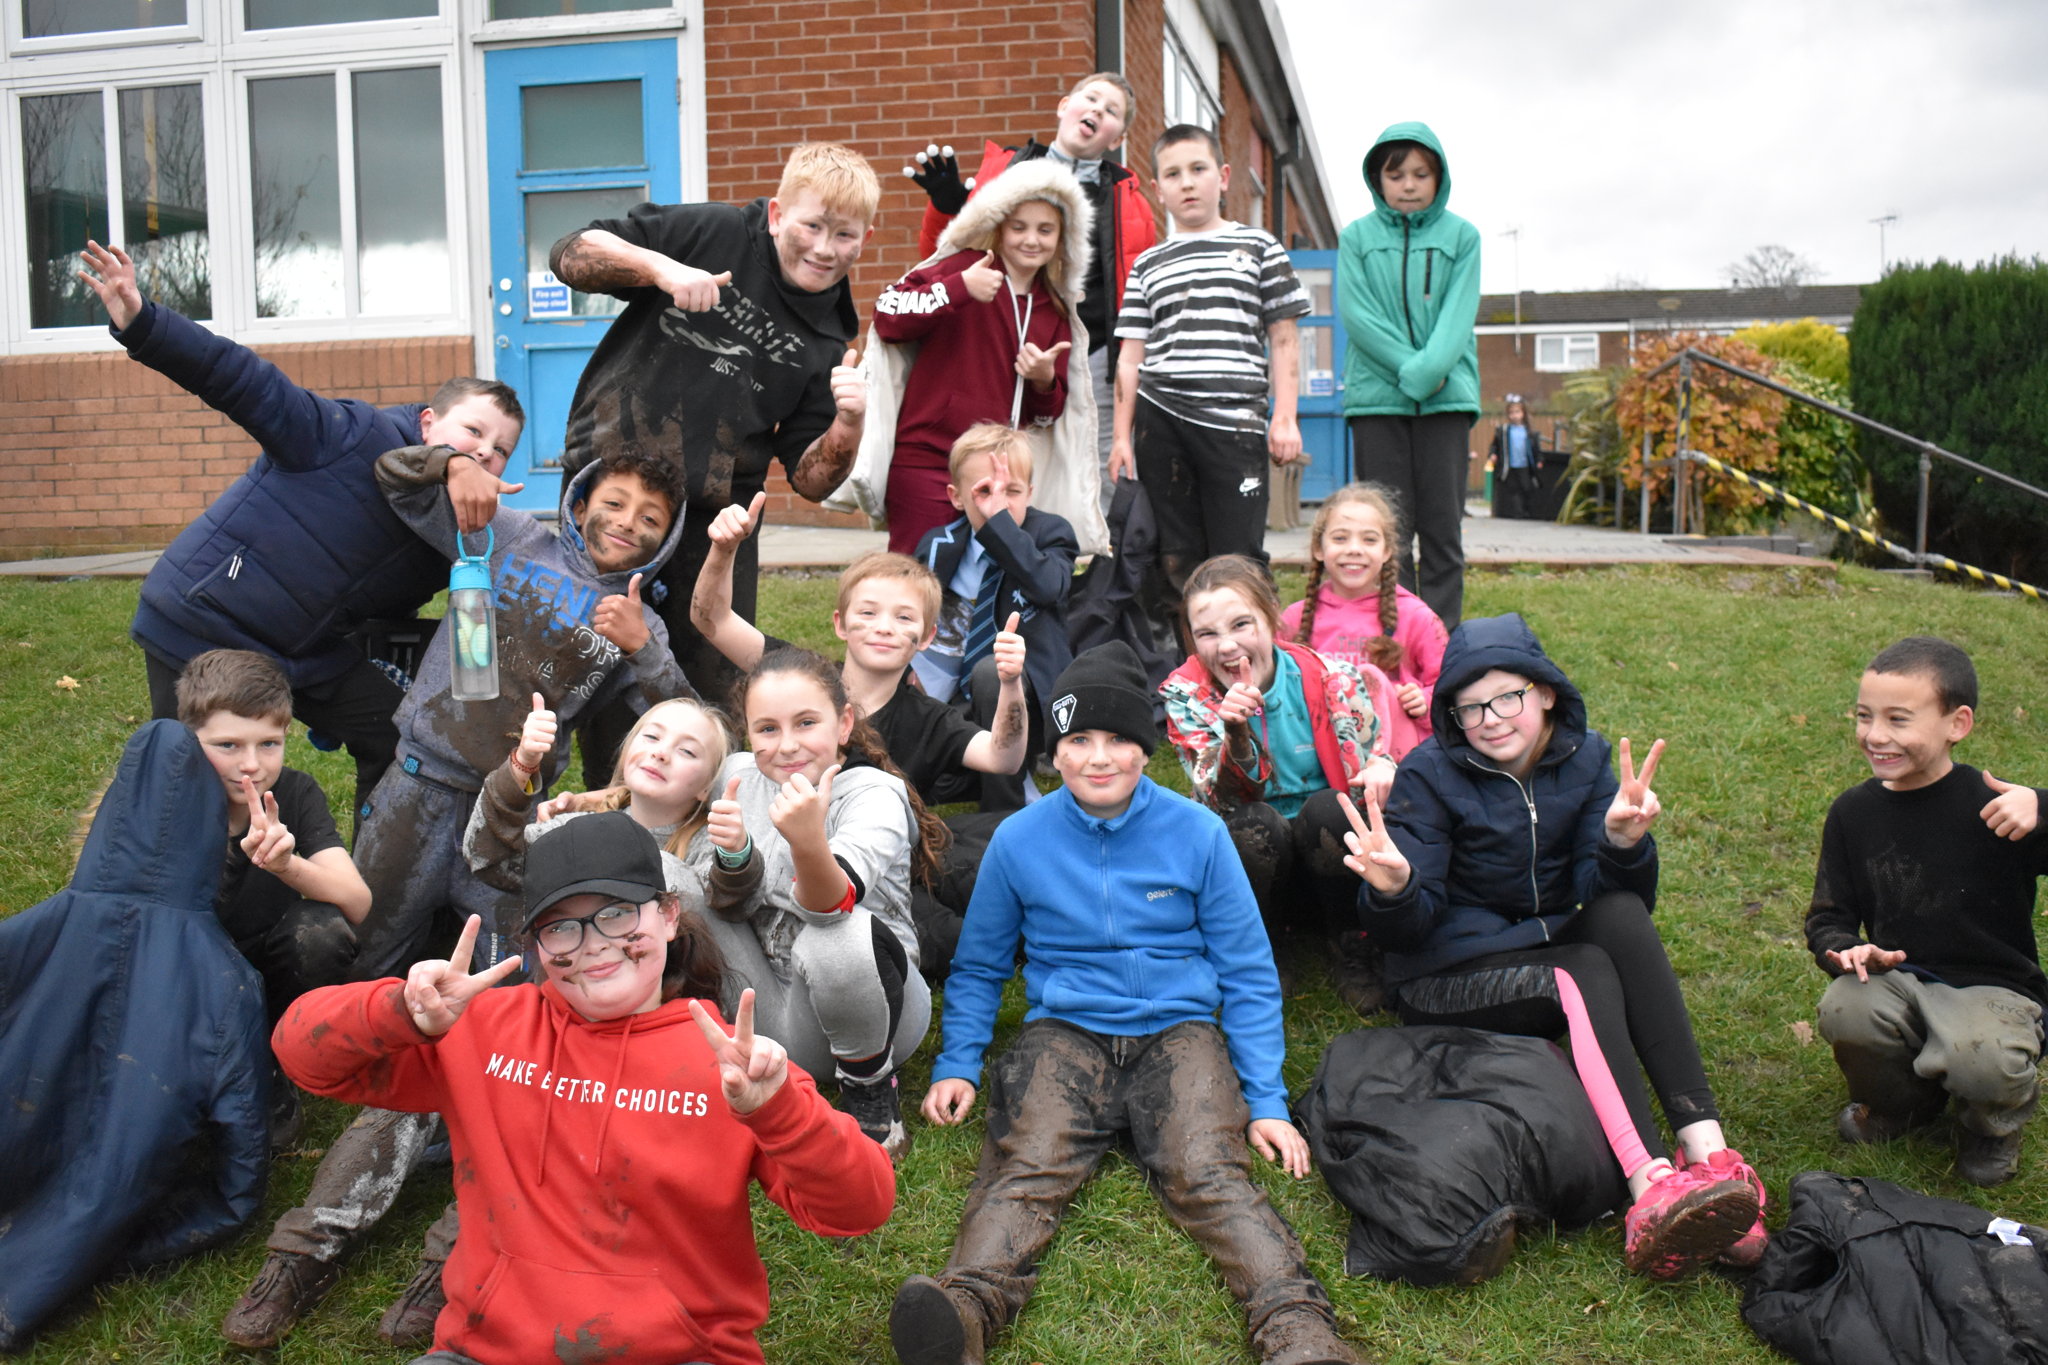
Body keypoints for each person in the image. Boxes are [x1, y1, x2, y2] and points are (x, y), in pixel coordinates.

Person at [221, 444, 689, 1351]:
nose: (627, 523)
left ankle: (451, 1247)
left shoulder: (629, 612)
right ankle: (322, 1098)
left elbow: (681, 718)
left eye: (651, 520)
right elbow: (394, 478)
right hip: (419, 781)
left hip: (509, 821)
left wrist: (649, 646)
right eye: (616, 502)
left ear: (663, 541)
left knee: (498, 1002)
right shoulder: (507, 532)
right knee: (372, 948)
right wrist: (454, 461)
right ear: (582, 496)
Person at [272, 814, 896, 1365]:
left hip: (681, 1354)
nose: (593, 942)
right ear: (538, 945)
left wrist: (780, 1113)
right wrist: (399, 1011)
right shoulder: (481, 1030)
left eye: (617, 912)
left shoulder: (731, 1064)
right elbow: (302, 1054)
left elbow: (861, 1207)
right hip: (485, 1351)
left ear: (670, 914)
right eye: (561, 928)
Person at [891, 642, 1365, 1365]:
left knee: (1208, 1171)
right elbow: (982, 964)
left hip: (1179, 1034)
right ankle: (966, 1308)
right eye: (1079, 739)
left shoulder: (1199, 833)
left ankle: (1299, 1331)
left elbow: (1246, 969)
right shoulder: (1019, 839)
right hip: (1064, 1032)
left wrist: (1266, 1098)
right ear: (1057, 751)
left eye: (1118, 738)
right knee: (1029, 1165)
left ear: (1147, 750)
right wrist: (957, 1061)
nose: (1099, 756)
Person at [1346, 613, 1766, 1279]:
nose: (1490, 718)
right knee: (1582, 969)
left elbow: (1596, 893)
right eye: (1470, 705)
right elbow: (1410, 930)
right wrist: (1395, 887)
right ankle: (1649, 1186)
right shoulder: (1430, 775)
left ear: (1544, 692)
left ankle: (1708, 1151)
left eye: (1507, 697)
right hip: (1444, 974)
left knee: (1621, 917)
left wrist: (1623, 844)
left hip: (1539, 944)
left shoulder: (1589, 759)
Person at [77, 240, 525, 821]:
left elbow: (385, 610)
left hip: (303, 652)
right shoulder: (347, 435)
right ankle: (143, 885)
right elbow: (239, 378)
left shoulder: (455, 530)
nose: (485, 453)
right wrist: (143, 323)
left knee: (398, 740)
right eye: (473, 431)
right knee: (186, 778)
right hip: (202, 620)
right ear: (428, 421)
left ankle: (376, 892)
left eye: (502, 451)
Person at [549, 142, 877, 769]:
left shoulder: (829, 334)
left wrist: (848, 424)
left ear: (864, 237)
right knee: (585, 658)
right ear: (779, 214)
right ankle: (587, 803)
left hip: (715, 522)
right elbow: (570, 251)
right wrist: (660, 270)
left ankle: (696, 824)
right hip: (612, 493)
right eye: (812, 226)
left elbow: (809, 478)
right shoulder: (714, 232)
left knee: (709, 684)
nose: (825, 248)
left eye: (845, 235)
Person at [1804, 635, 2048, 1187]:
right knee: (1846, 1008)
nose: (1875, 735)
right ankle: (1901, 1106)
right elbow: (1829, 916)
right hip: (1903, 977)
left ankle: (1991, 1126)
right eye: (1864, 716)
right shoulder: (1853, 812)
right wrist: (1845, 950)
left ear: (1956, 723)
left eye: (1898, 719)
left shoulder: (1997, 807)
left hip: (1992, 988)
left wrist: (2044, 807)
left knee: (1978, 1056)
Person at [700, 648, 944, 1159]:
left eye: (806, 722)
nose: (786, 745)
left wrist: (808, 841)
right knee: (667, 880)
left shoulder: (873, 794)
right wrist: (736, 856)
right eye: (766, 729)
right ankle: (658, 1044)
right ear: (747, 734)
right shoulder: (739, 777)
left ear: (844, 723)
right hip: (768, 1007)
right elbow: (719, 895)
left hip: (875, 1017)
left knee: (838, 934)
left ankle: (870, 1091)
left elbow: (829, 908)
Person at [903, 73, 1157, 520]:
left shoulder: (1130, 199)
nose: (1098, 111)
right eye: (1090, 99)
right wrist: (945, 207)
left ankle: (1085, 567)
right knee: (1009, 452)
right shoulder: (1005, 169)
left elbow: (1141, 289)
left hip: (1096, 349)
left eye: (1112, 110)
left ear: (1119, 136)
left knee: (1096, 463)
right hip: (1008, 335)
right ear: (1064, 106)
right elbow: (939, 257)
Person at [1160, 555, 1395, 1012]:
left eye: (1242, 624)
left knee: (1332, 806)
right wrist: (1236, 733)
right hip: (1251, 870)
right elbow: (1220, 797)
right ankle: (1266, 944)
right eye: (1207, 633)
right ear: (1191, 638)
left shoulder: (1334, 679)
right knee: (1253, 823)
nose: (1227, 646)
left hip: (1332, 860)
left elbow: (1376, 753)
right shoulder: (1187, 697)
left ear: (1271, 618)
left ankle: (1350, 939)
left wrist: (1384, 764)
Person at [1109, 124, 1310, 637]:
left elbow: (1285, 340)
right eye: (1173, 174)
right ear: (1157, 189)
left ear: (1222, 177)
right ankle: (1185, 674)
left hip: (1235, 426)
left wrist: (1284, 417)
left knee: (1239, 555)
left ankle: (1254, 667)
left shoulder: (1258, 247)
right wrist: (1120, 438)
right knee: (1174, 555)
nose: (1187, 183)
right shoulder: (1148, 265)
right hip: (1162, 425)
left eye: (1198, 169)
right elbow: (1130, 358)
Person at [176, 649, 368, 1146]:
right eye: (227, 745)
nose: (251, 765)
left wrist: (289, 865)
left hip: (269, 972)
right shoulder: (168, 799)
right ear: (188, 740)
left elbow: (357, 900)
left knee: (321, 932)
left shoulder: (296, 794)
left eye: (269, 744)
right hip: (190, 976)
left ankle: (283, 1055)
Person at [861, 159, 1094, 555]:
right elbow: (887, 316)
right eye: (1019, 227)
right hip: (927, 461)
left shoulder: (1054, 310)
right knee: (916, 579)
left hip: (998, 476)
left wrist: (1044, 380)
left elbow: (1046, 416)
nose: (1031, 239)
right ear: (999, 227)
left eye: (1045, 229)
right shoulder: (965, 267)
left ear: (1061, 238)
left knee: (983, 587)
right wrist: (958, 289)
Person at [1336, 123, 1481, 629]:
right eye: (1396, 174)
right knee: (1386, 533)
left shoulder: (1463, 236)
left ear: (1439, 177)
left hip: (1446, 403)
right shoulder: (1355, 238)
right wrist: (1412, 371)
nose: (1409, 185)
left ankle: (1443, 649)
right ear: (1378, 179)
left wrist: (1431, 371)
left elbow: (1458, 316)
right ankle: (1393, 641)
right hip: (1378, 402)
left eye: (1421, 173)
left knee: (1443, 530)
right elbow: (1358, 316)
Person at [911, 425, 1077, 792]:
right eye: (985, 491)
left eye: (1012, 492)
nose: (998, 503)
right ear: (957, 497)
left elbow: (1049, 587)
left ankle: (1007, 798)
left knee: (991, 671)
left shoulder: (1051, 534)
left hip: (1027, 702)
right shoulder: (939, 545)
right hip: (954, 699)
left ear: (1030, 494)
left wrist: (1000, 525)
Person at [1281, 482, 1447, 760]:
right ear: (1319, 549)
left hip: (1398, 763)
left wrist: (1425, 700)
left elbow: (1452, 691)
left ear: (1387, 551)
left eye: (1369, 540)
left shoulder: (1417, 617)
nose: (1355, 549)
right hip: (1317, 759)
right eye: (1340, 538)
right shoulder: (1294, 619)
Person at [1487, 394, 1542, 520]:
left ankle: (1527, 511)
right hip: (1509, 465)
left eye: (1517, 412)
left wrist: (1539, 460)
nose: (1514, 415)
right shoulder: (1504, 431)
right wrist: (1493, 455)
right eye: (1511, 412)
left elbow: (1536, 449)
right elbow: (1494, 445)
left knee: (1527, 488)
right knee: (1513, 489)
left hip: (1525, 465)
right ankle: (1517, 513)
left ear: (1523, 413)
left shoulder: (1529, 432)